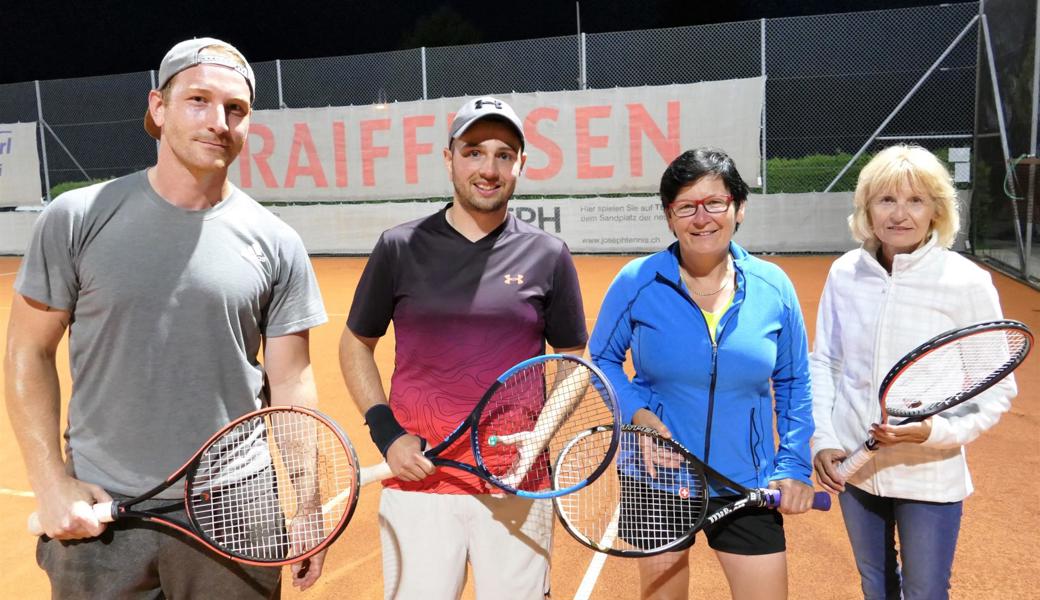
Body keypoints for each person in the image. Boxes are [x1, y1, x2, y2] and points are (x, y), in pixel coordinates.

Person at [4, 38, 328, 597]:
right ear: (158, 108)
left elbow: (292, 380)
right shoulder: (76, 217)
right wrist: (50, 482)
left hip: (235, 510)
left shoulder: (277, 242)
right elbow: (27, 352)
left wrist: (305, 499)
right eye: (198, 100)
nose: (218, 121)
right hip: (102, 510)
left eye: (236, 109)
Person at [339, 96, 587, 600]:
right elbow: (355, 344)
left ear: (521, 164)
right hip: (418, 484)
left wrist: (540, 435)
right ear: (449, 157)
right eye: (474, 151)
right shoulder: (399, 247)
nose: (488, 168)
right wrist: (387, 432)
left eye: (503, 154)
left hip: (518, 484)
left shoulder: (548, 255)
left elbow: (574, 360)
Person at [589, 148, 817, 600]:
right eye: (685, 206)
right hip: (658, 476)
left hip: (746, 480)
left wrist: (793, 465)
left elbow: (793, 382)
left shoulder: (774, 287)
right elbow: (602, 360)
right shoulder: (638, 281)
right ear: (669, 217)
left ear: (738, 208)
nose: (702, 218)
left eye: (715, 203)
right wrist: (639, 416)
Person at [811, 144, 1016, 600]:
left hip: (929, 471)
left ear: (935, 210)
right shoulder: (845, 273)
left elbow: (997, 391)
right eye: (886, 200)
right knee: (877, 586)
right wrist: (823, 438)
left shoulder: (966, 282)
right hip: (857, 466)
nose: (899, 214)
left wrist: (933, 432)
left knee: (926, 591)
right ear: (867, 208)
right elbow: (825, 361)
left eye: (915, 201)